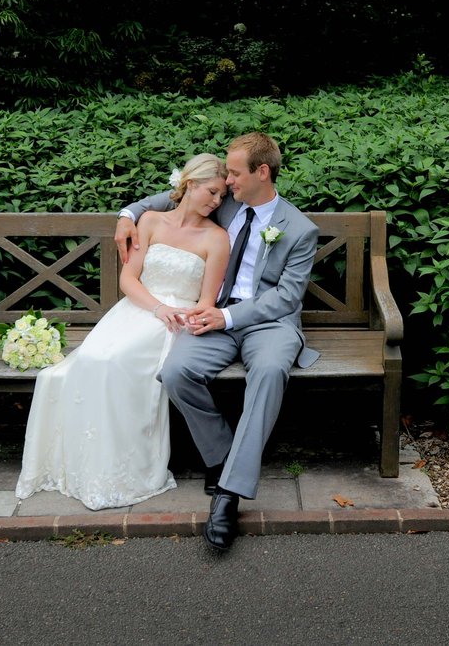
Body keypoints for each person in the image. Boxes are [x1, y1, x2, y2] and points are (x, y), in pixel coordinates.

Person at [115, 132, 320, 550]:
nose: (227, 180)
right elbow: (165, 199)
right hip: (213, 316)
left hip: (270, 324)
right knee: (175, 372)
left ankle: (228, 495)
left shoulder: (299, 229)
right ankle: (223, 457)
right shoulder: (224, 203)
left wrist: (226, 315)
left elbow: (285, 297)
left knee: (268, 370)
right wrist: (125, 215)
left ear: (262, 172)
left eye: (234, 171)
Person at [15, 154, 229, 511]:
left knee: (113, 361)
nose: (217, 201)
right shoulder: (149, 221)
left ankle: (123, 467)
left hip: (176, 321)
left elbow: (206, 300)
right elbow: (128, 279)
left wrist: (175, 315)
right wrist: (156, 307)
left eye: (222, 196)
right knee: (86, 363)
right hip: (137, 309)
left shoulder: (217, 238)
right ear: (190, 184)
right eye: (212, 192)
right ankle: (84, 461)